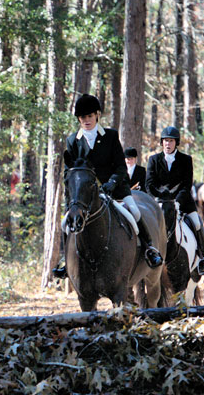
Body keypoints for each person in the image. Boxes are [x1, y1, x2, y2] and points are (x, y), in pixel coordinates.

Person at [52, 94, 162, 280]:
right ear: (79, 119)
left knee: (134, 212)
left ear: (97, 115)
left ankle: (149, 248)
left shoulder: (110, 136)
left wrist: (112, 183)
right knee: (65, 223)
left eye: (90, 116)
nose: (86, 120)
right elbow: (69, 173)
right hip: (85, 195)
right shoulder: (72, 141)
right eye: (83, 117)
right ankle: (65, 260)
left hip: (114, 189)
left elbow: (120, 166)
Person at [145, 127, 204, 275]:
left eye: (171, 141)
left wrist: (177, 201)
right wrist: (158, 198)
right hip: (159, 203)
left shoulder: (186, 160)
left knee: (197, 223)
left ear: (176, 143)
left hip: (182, 201)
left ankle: (203, 259)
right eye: (165, 141)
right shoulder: (153, 160)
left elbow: (187, 185)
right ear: (162, 142)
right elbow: (149, 184)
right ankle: (147, 254)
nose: (167, 144)